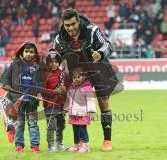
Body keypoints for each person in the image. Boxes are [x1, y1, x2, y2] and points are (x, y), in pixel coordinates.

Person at [52, 8, 122, 151]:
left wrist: (100, 53)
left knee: (103, 102)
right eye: (67, 25)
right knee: (75, 107)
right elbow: (53, 53)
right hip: (77, 73)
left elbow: (107, 45)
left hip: (98, 68)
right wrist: (53, 60)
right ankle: (80, 143)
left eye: (73, 24)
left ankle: (107, 140)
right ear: (64, 25)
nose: (70, 28)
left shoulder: (92, 30)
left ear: (78, 21)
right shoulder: (60, 37)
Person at [0, 41, 43, 153]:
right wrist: (7, 86)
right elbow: (5, 78)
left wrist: (39, 92)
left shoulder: (37, 67)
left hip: (32, 101)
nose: (29, 54)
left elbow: (40, 83)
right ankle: (19, 145)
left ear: (35, 53)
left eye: (31, 52)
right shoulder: (15, 64)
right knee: (19, 124)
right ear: (22, 52)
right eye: (26, 51)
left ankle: (35, 145)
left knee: (33, 124)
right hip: (18, 101)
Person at [41, 50, 70, 152]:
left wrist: (64, 91)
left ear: (59, 63)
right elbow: (42, 91)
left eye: (56, 62)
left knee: (61, 125)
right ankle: (50, 145)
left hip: (61, 105)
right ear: (48, 63)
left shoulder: (63, 75)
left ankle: (59, 144)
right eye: (51, 62)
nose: (53, 64)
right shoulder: (45, 75)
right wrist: (54, 92)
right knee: (51, 126)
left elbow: (67, 90)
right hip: (50, 105)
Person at [64, 67, 96, 153]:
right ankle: (76, 145)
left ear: (84, 77)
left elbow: (91, 99)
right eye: (74, 77)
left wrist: (91, 111)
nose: (76, 79)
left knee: (82, 129)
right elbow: (68, 99)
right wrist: (65, 109)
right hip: (73, 113)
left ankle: (85, 146)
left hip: (83, 113)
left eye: (78, 77)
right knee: (75, 130)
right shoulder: (71, 87)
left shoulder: (87, 87)